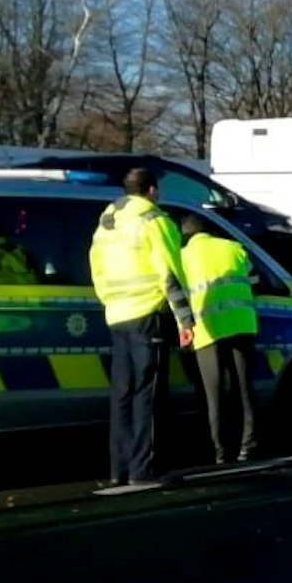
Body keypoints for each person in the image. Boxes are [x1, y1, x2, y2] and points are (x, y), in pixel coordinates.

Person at [88, 167, 195, 493]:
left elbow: (97, 267)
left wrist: (110, 299)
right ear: (151, 190)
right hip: (148, 312)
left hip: (117, 313)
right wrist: (185, 319)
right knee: (147, 396)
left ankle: (119, 468)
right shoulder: (154, 220)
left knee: (122, 394)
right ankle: (144, 469)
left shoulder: (107, 225)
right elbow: (170, 271)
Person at [179, 213, 260, 465]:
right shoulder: (234, 248)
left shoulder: (182, 256)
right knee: (243, 389)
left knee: (213, 394)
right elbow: (255, 279)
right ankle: (248, 446)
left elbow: (177, 294)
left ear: (187, 236)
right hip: (242, 324)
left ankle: (219, 452)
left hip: (207, 330)